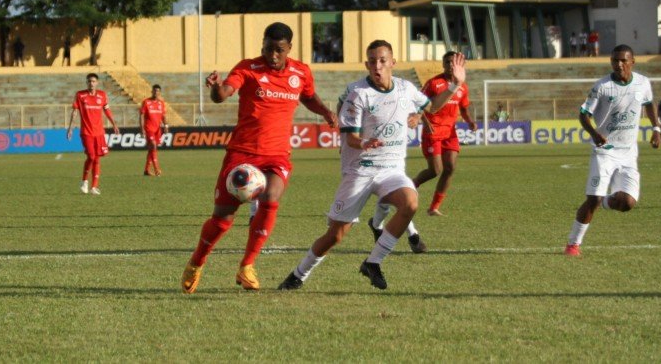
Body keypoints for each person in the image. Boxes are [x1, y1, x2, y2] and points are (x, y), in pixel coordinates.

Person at [277, 41, 466, 291]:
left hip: (391, 170)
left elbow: (432, 106)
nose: (377, 66)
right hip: (360, 170)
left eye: (383, 60)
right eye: (373, 61)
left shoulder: (405, 88)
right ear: (366, 64)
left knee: (410, 203)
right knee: (335, 235)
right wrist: (365, 142)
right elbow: (351, 138)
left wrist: (455, 84)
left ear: (392, 63)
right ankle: (299, 274)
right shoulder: (358, 94)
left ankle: (373, 262)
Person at [180, 22, 337, 294]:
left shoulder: (301, 72)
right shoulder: (248, 68)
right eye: (267, 49)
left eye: (279, 50)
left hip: (276, 155)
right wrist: (216, 88)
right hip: (242, 153)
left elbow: (308, 97)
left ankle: (247, 266)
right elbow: (223, 95)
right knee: (223, 219)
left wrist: (325, 112)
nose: (272, 55)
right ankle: (197, 262)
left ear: (289, 48)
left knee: (272, 196)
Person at [564, 45, 661, 257]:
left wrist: (656, 128)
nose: (619, 64)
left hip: (628, 153)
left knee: (627, 203)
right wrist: (594, 133)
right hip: (605, 151)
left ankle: (606, 201)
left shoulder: (643, 83)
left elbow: (649, 104)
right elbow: (583, 114)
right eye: (615, 60)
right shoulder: (602, 87)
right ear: (611, 62)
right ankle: (573, 244)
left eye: (624, 61)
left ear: (632, 62)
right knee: (592, 200)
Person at [377, 51, 477, 221]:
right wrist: (422, 119)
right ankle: (409, 186)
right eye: (447, 62)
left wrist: (469, 121)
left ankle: (434, 207)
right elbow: (419, 102)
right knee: (435, 170)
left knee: (450, 168)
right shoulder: (434, 83)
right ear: (443, 64)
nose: (451, 65)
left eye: (453, 62)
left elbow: (464, 108)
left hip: (450, 132)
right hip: (433, 132)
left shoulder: (463, 86)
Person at [67, 73, 120, 195]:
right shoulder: (80, 95)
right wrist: (70, 128)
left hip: (99, 133)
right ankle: (84, 181)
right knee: (91, 156)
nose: (91, 83)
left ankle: (94, 187)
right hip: (86, 132)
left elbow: (107, 110)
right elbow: (74, 112)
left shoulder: (102, 95)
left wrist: (114, 124)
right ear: (87, 83)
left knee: (97, 158)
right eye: (89, 81)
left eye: (93, 81)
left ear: (97, 83)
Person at [140, 84, 168, 176]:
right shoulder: (146, 102)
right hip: (149, 129)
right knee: (153, 145)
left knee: (151, 149)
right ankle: (157, 169)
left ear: (160, 92)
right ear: (152, 91)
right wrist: (142, 129)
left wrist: (166, 125)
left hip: (157, 130)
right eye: (154, 91)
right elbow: (141, 116)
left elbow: (163, 116)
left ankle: (146, 170)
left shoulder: (161, 103)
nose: (156, 92)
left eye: (158, 91)